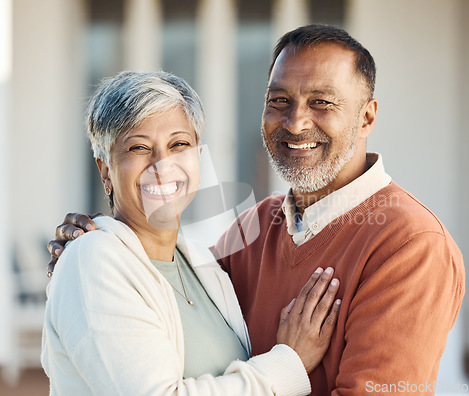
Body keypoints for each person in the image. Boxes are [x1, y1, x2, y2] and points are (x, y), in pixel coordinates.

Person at [48, 25, 465, 395]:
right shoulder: (255, 226)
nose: (296, 122)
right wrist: (91, 253)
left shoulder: (410, 244)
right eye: (280, 100)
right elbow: (146, 289)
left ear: (367, 116)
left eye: (322, 102)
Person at [42, 70, 343, 395]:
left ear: (199, 158)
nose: (163, 164)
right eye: (139, 148)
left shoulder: (204, 265)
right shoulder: (93, 259)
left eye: (179, 144)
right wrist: (290, 362)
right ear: (106, 171)